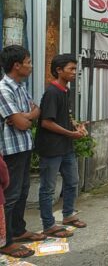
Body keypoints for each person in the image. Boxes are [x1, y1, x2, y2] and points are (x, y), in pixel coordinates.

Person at [35, 54, 88, 239]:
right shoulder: (52, 92)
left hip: (66, 147)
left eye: (75, 68)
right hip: (51, 148)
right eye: (71, 69)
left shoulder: (65, 91)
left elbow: (65, 116)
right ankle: (49, 224)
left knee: (72, 181)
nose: (75, 72)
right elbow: (47, 122)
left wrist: (76, 126)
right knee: (48, 188)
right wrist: (71, 134)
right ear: (59, 70)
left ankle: (68, 215)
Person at [0, 45, 45, 258]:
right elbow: (22, 123)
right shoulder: (3, 89)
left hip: (23, 147)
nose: (30, 66)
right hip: (10, 151)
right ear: (16, 65)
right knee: (10, 196)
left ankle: (18, 230)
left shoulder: (20, 87)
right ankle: (5, 241)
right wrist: (24, 117)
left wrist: (22, 116)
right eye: (28, 62)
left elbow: (36, 110)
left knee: (22, 192)